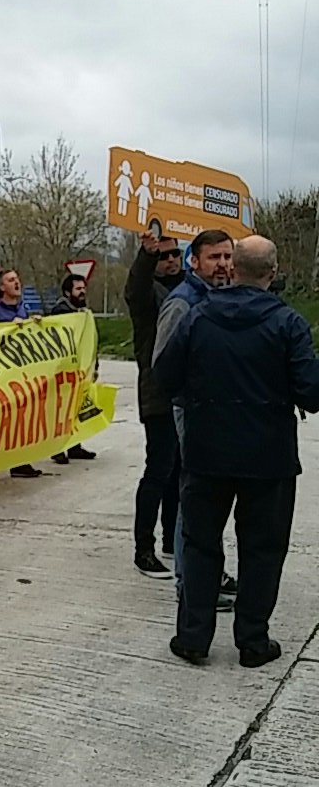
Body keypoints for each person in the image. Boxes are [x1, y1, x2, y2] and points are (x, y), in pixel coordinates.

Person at [154, 236, 319, 668]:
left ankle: (193, 636)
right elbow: (311, 392)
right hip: (268, 455)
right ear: (274, 271)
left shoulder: (198, 317)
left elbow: (165, 375)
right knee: (263, 548)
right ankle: (253, 640)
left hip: (206, 450)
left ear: (234, 268)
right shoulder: (288, 324)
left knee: (200, 543)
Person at [153, 229, 237, 610]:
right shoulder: (182, 303)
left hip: (220, 411)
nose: (223, 264)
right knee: (195, 497)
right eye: (214, 257)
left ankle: (209, 574)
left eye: (227, 256)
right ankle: (189, 584)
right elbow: (162, 364)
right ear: (195, 260)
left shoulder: (222, 297)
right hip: (193, 410)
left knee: (214, 497)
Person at [124, 232, 184, 578]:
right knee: (158, 471)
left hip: (185, 395)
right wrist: (146, 256)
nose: (171, 259)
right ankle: (143, 549)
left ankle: (171, 539)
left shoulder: (190, 290)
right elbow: (135, 288)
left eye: (175, 253)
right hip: (158, 395)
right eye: (164, 256)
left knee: (179, 472)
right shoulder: (149, 296)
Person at [0, 268, 42, 484]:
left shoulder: (24, 309)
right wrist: (8, 328)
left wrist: (35, 326)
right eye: (11, 280)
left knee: (19, 420)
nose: (17, 283)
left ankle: (19, 463)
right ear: (1, 287)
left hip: (19, 374)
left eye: (17, 279)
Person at [50, 274, 97, 464]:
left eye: (83, 288)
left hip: (78, 369)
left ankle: (74, 445)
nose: (82, 292)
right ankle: (57, 448)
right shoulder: (61, 312)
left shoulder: (82, 313)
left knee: (75, 407)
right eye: (78, 289)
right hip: (63, 369)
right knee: (60, 410)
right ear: (67, 292)